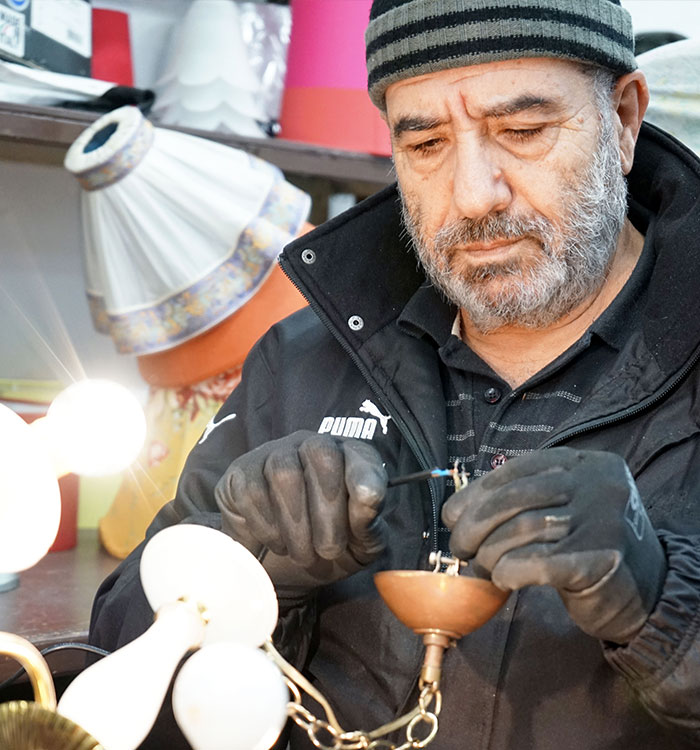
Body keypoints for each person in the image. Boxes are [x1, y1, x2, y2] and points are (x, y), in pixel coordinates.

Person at [90, 1, 700, 748]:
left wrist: (662, 597)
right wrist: (243, 563)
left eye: (524, 130)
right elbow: (116, 645)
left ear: (625, 119)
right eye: (426, 143)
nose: (475, 196)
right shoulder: (305, 361)